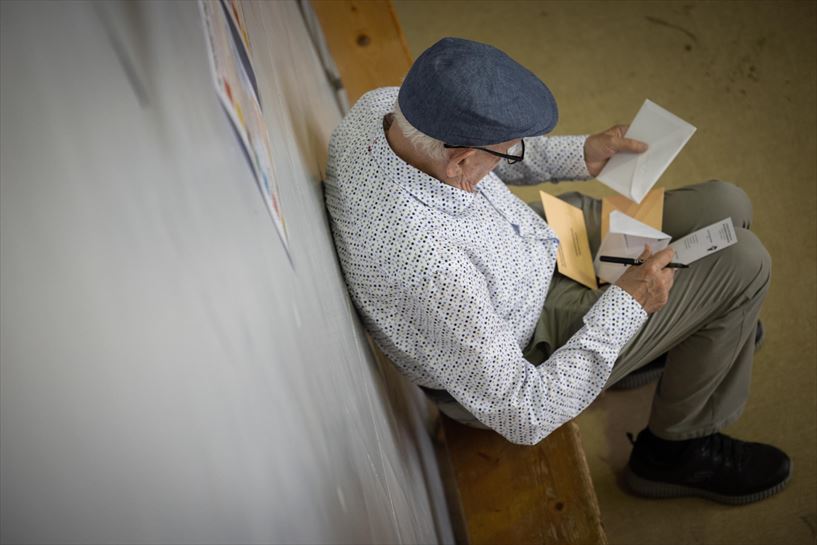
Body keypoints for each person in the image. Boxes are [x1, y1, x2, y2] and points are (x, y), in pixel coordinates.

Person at [324, 37, 790, 505]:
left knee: (727, 205)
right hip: (529, 339)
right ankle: (676, 452)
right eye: (508, 152)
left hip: (530, 244)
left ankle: (693, 335)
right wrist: (627, 307)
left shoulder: (387, 109)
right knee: (744, 265)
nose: (515, 154)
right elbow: (524, 412)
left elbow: (473, 153)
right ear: (463, 163)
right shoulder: (427, 266)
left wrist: (579, 153)